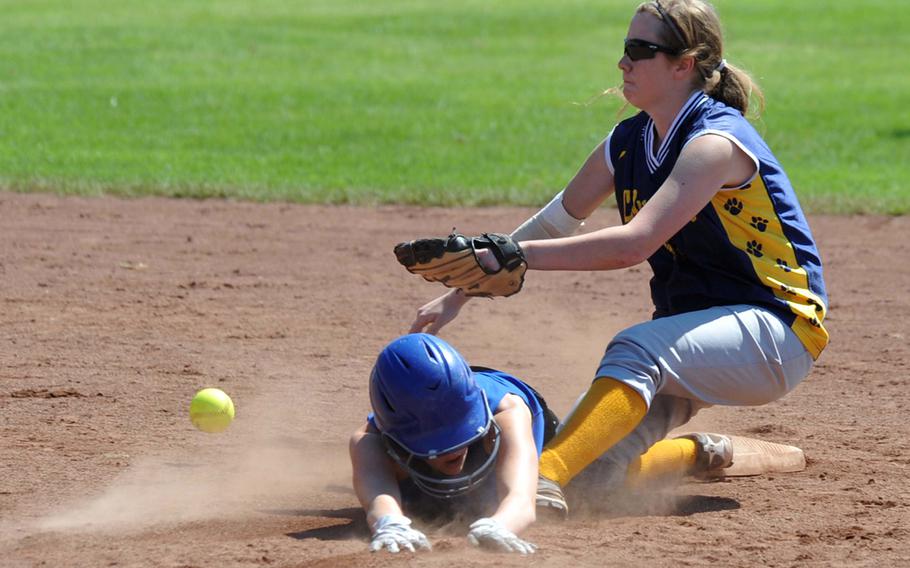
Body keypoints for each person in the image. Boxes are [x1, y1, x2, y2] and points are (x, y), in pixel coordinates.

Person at [404, 0, 829, 517]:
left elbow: (634, 243)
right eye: (625, 48)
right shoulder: (628, 142)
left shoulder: (717, 143)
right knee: (596, 477)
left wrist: (514, 257)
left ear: (683, 64)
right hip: (695, 334)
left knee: (634, 350)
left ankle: (538, 478)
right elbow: (559, 219)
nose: (623, 63)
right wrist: (460, 292)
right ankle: (702, 454)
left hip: (776, 332)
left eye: (639, 50)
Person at [349, 333, 559, 553]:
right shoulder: (370, 440)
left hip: (542, 442)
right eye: (434, 442)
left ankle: (546, 475)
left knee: (563, 487)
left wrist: (501, 525)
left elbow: (521, 501)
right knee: (420, 503)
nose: (454, 448)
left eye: (460, 432)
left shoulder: (508, 412)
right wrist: (390, 523)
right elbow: (380, 505)